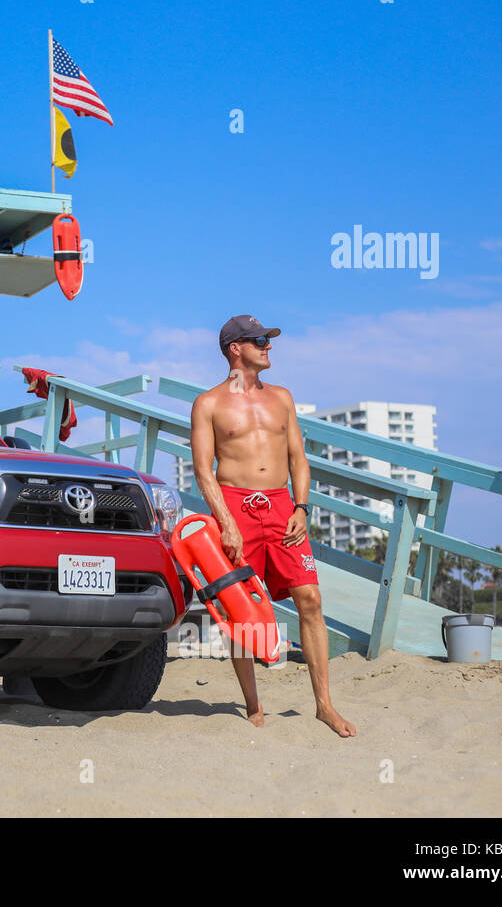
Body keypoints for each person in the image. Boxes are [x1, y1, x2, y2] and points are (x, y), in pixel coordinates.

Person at [189, 314, 356, 738]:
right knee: (241, 609)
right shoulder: (208, 403)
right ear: (235, 349)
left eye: (268, 339)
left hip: (282, 506)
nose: (269, 346)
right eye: (260, 340)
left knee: (310, 598)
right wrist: (225, 523)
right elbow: (204, 471)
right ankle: (253, 703)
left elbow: (300, 459)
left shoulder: (282, 397)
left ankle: (324, 706)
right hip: (234, 506)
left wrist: (301, 508)